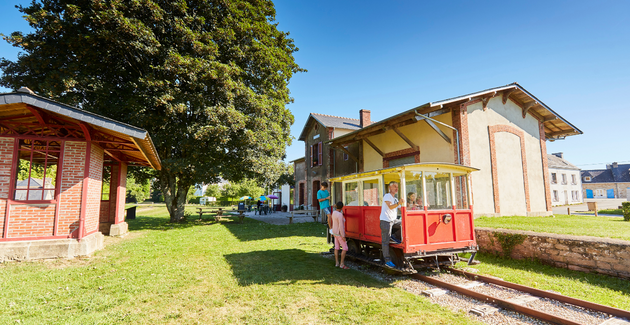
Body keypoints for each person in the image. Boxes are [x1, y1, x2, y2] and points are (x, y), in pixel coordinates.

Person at [380, 181, 404, 268]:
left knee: (403, 224)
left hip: (393, 220)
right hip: (386, 221)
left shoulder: (395, 199)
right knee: (385, 242)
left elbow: (402, 209)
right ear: (390, 188)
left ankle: (393, 236)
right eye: (394, 186)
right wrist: (399, 203)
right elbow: (390, 206)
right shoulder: (387, 196)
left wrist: (415, 207)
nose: (396, 188)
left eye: (397, 187)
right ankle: (387, 261)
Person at [331, 201, 348, 269]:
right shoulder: (340, 215)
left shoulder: (334, 213)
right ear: (342, 207)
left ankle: (337, 263)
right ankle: (342, 264)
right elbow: (341, 226)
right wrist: (343, 236)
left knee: (337, 247)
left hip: (335, 233)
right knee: (345, 248)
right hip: (339, 233)